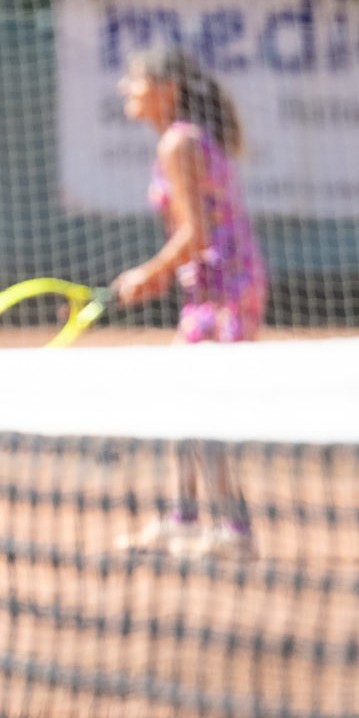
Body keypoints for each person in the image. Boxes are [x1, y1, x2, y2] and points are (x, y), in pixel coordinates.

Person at [110, 48, 266, 559]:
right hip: (213, 283)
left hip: (226, 288)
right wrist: (165, 275)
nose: (126, 89)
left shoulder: (178, 141)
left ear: (166, 90)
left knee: (202, 402)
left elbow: (196, 233)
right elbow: (197, 234)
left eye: (136, 81)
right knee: (182, 397)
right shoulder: (182, 140)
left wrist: (147, 272)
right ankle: (184, 519)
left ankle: (234, 529)